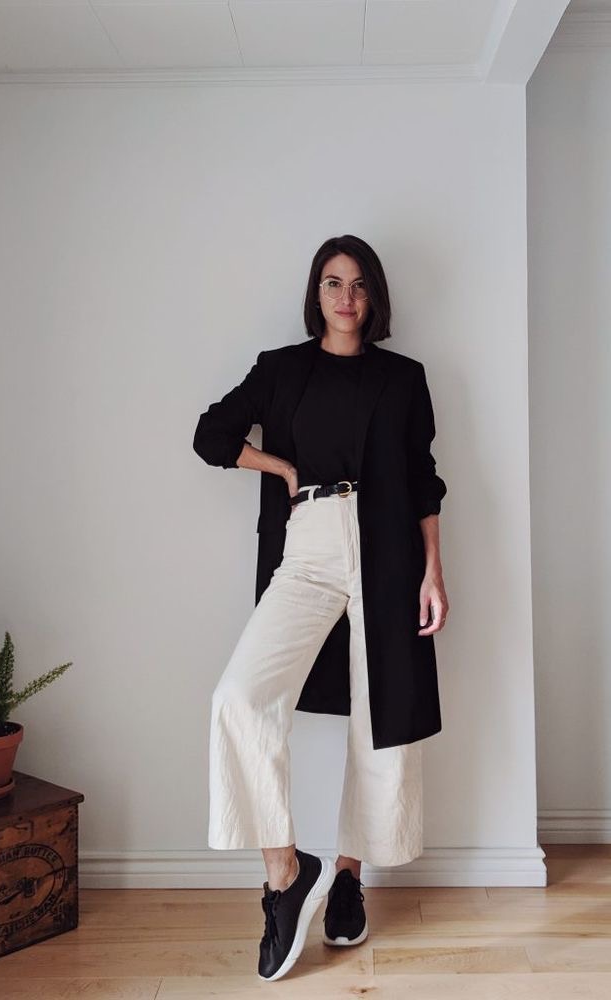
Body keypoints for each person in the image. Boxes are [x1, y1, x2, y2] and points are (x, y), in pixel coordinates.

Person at [192, 234, 449, 982]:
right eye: (333, 283)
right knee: (239, 697)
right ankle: (286, 870)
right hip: (307, 545)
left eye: (359, 284)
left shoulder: (403, 378)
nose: (346, 297)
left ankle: (347, 877)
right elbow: (211, 435)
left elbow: (424, 478)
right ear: (316, 293)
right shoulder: (281, 369)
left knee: (382, 715)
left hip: (388, 549)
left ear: (375, 297)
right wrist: (276, 465)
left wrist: (433, 571)